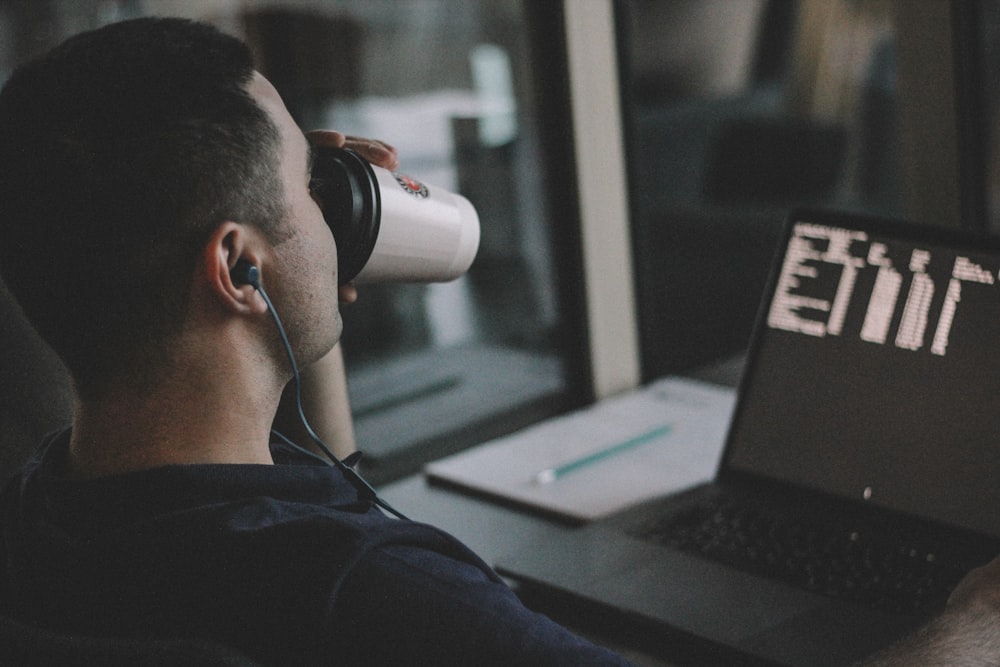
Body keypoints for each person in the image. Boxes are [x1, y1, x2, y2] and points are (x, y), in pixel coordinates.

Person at [0, 16, 998, 667]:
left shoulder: (47, 512)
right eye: (311, 176)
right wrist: (969, 629)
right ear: (238, 270)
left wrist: (307, 245)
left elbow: (306, 466)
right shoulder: (373, 595)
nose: (338, 192)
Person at [0, 17, 629, 666]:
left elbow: (288, 514)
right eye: (310, 185)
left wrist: (305, 269)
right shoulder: (386, 595)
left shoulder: (33, 519)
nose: (325, 205)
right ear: (237, 265)